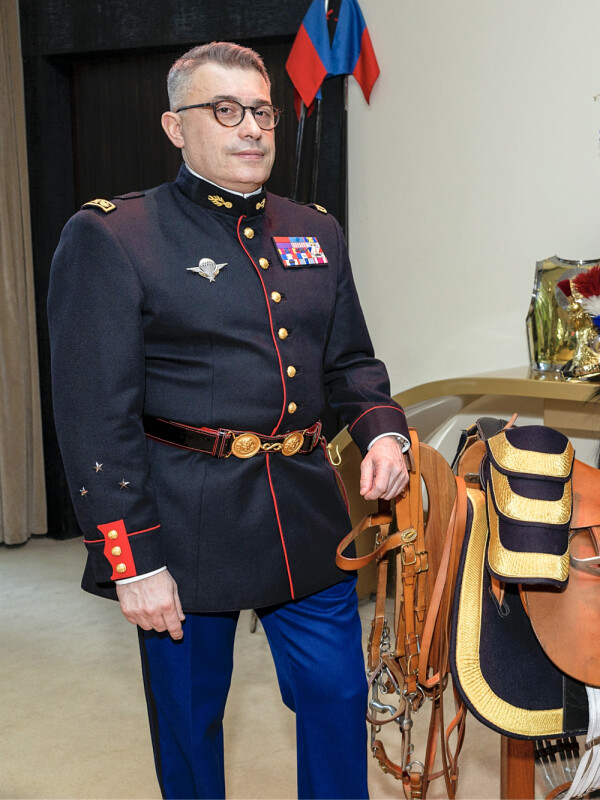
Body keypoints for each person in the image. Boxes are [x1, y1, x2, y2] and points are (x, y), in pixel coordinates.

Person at [47, 42, 410, 799]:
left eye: (262, 111)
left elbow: (349, 362)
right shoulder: (115, 234)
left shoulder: (316, 229)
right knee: (190, 725)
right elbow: (94, 418)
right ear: (176, 128)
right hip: (180, 526)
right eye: (225, 111)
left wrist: (382, 427)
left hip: (306, 516)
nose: (251, 128)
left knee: (339, 701)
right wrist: (131, 559)